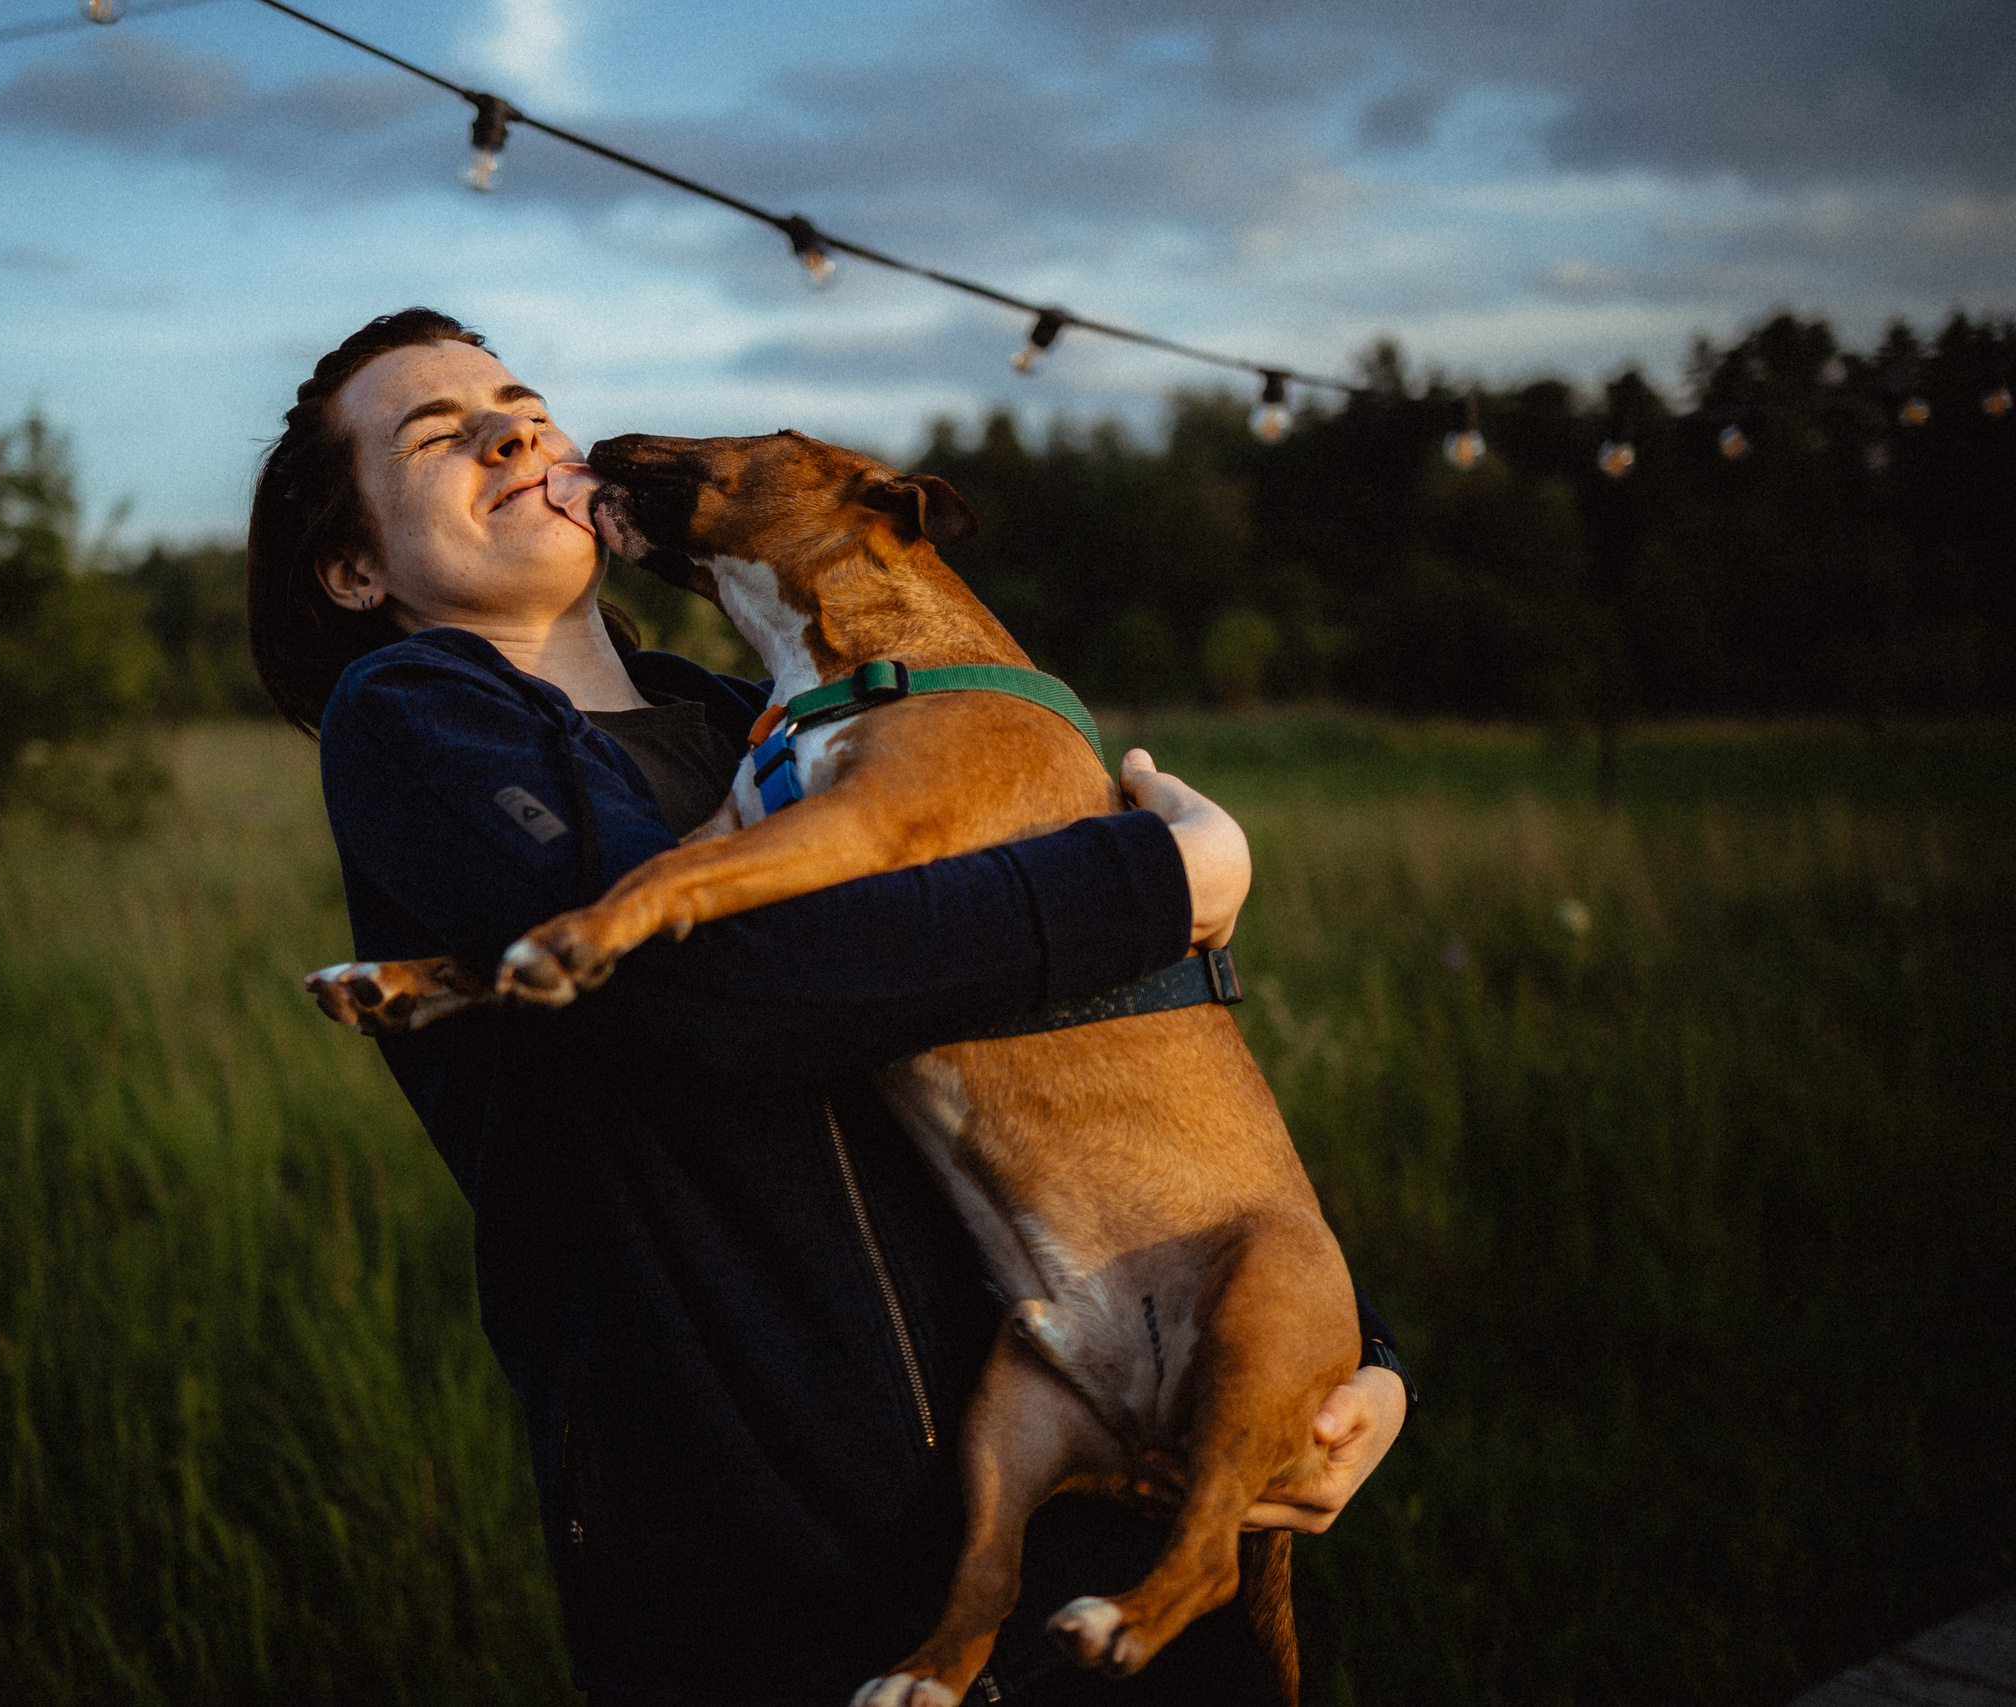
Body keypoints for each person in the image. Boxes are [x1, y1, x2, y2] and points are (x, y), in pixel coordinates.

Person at [248, 307, 1408, 1706]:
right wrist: (1164, 878)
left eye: (520, 400)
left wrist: (1352, 1369)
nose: (512, 431)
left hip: (1103, 1489)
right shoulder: (416, 713)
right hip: (790, 1582)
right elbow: (703, 998)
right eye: (437, 437)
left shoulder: (786, 720)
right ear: (356, 567)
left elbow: (1131, 1053)